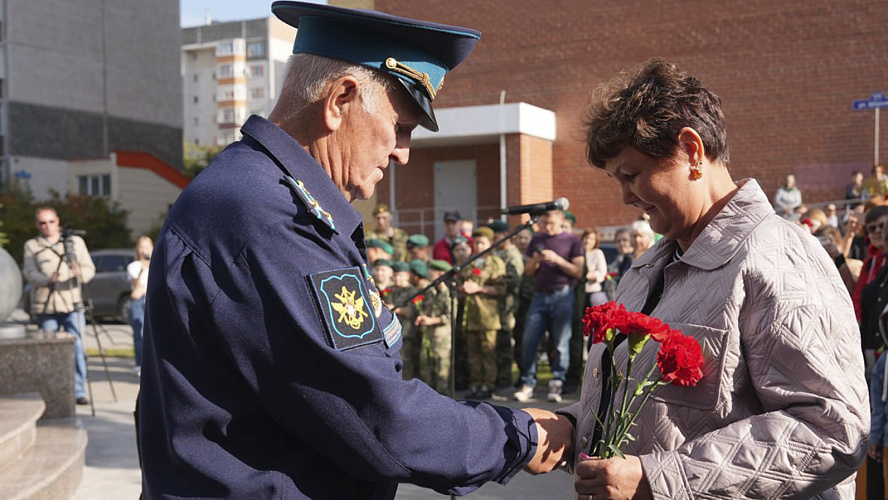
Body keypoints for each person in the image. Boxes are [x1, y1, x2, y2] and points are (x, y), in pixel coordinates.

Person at [137, 3, 573, 498]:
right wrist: (520, 435)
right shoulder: (267, 216)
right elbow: (379, 418)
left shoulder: (260, 195)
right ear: (340, 100)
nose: (403, 152)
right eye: (401, 126)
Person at [561, 58, 867, 499]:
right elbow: (657, 409)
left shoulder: (777, 256)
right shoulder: (651, 265)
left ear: (691, 150)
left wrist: (656, 479)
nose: (626, 196)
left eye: (631, 175)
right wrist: (569, 427)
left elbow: (831, 430)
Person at [23, 207, 96, 406]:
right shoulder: (32, 246)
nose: (47, 226)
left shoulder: (74, 242)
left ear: (58, 221)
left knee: (78, 348)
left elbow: (89, 269)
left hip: (72, 303)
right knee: (48, 351)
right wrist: (47, 279)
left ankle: (79, 390)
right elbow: (29, 273)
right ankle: (51, 392)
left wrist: (78, 272)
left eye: (51, 222)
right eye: (42, 223)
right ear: (37, 225)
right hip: (46, 306)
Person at [514, 209, 584, 404]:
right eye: (544, 223)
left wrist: (557, 259)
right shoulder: (537, 240)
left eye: (551, 223)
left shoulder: (573, 241)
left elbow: (578, 271)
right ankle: (527, 382)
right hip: (539, 295)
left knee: (561, 341)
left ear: (561, 221)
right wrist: (536, 259)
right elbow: (528, 272)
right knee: (529, 339)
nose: (547, 227)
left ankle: (557, 382)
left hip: (563, 294)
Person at [458, 227, 505, 400]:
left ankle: (488, 385)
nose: (478, 246)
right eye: (476, 242)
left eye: (482, 242)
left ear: (490, 243)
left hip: (487, 316)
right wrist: (462, 288)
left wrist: (479, 288)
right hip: (470, 316)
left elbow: (501, 288)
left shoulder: (495, 263)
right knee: (473, 353)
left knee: (488, 352)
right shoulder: (470, 262)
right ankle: (476, 383)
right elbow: (460, 280)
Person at [489, 220, 524, 389]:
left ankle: (505, 378)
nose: (493, 240)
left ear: (504, 236)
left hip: (507, 305)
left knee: (505, 341)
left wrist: (496, 279)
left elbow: (515, 280)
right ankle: (498, 376)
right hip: (495, 306)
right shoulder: (497, 254)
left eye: (495, 237)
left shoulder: (512, 254)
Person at [415, 259, 452, 394]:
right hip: (428, 335)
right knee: (426, 367)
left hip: (441, 338)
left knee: (441, 368)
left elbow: (449, 316)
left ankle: (443, 397)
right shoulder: (430, 291)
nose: (429, 277)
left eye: (432, 274)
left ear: (441, 274)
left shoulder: (448, 293)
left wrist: (432, 320)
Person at [127, 236, 153, 377]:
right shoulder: (133, 266)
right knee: (140, 332)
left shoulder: (158, 264)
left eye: (147, 246)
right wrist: (142, 270)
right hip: (138, 302)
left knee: (152, 333)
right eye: (142, 247)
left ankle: (152, 363)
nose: (144, 250)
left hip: (151, 299)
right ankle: (139, 363)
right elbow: (136, 288)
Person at [581, 228, 609, 308]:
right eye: (586, 237)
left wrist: (586, 275)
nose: (588, 241)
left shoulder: (597, 253)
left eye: (591, 239)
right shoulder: (578, 253)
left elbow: (602, 273)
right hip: (579, 292)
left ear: (595, 241)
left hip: (594, 290)